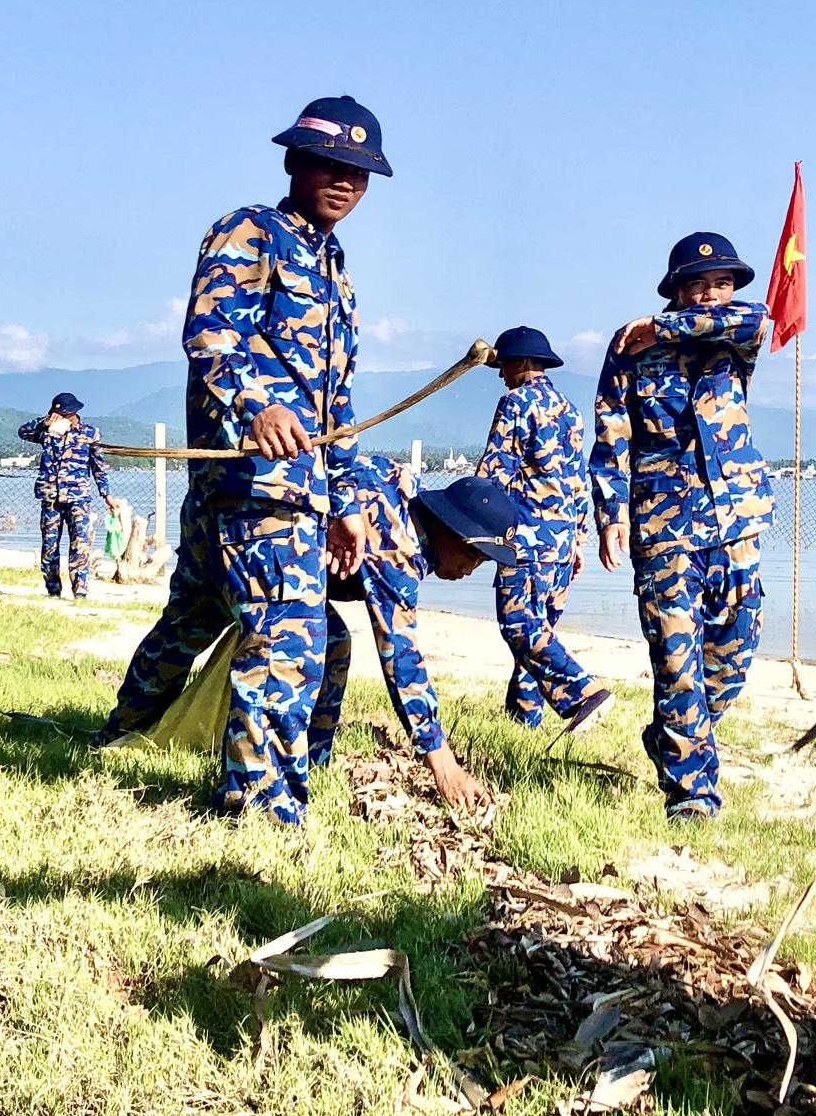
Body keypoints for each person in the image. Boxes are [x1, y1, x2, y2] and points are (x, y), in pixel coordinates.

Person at [92, 96, 385, 825]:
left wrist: (347, 504)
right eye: (329, 164)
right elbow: (210, 331)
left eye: (358, 172)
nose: (344, 181)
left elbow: (337, 406)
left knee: (192, 620)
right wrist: (258, 406)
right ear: (293, 161)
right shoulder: (251, 232)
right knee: (286, 638)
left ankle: (124, 733)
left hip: (292, 490)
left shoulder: (337, 272)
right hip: (250, 484)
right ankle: (256, 805)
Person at [591, 232, 771, 819]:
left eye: (722, 283)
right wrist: (611, 515)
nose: (713, 295)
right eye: (699, 284)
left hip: (736, 520)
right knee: (676, 661)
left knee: (735, 652)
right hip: (663, 525)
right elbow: (611, 435)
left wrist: (664, 327)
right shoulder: (631, 348)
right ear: (676, 288)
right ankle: (692, 792)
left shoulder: (736, 335)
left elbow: (757, 318)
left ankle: (673, 733)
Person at [310, 458, 518, 813]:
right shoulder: (397, 545)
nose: (470, 570)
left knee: (332, 640)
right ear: (446, 525)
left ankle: (311, 765)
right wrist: (444, 765)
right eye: (472, 553)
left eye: (483, 562)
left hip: (242, 525)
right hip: (258, 532)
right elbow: (401, 658)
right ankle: (300, 769)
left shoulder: (407, 492)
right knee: (327, 642)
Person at [476, 325, 612, 735]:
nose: (501, 374)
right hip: (562, 540)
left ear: (521, 362)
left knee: (519, 623)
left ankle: (583, 691)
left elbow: (493, 472)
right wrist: (579, 539)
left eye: (504, 366)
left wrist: (467, 522)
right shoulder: (569, 410)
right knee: (540, 629)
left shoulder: (516, 403)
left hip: (526, 539)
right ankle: (524, 719)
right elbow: (577, 479)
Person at [16, 393, 113, 598]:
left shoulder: (89, 433)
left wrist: (106, 494)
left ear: (75, 412)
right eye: (58, 413)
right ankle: (53, 590)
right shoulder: (47, 431)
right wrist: (43, 422)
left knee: (80, 544)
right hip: (51, 496)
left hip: (78, 497)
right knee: (50, 546)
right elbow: (22, 432)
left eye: (66, 413)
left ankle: (80, 591)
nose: (62, 417)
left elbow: (99, 465)